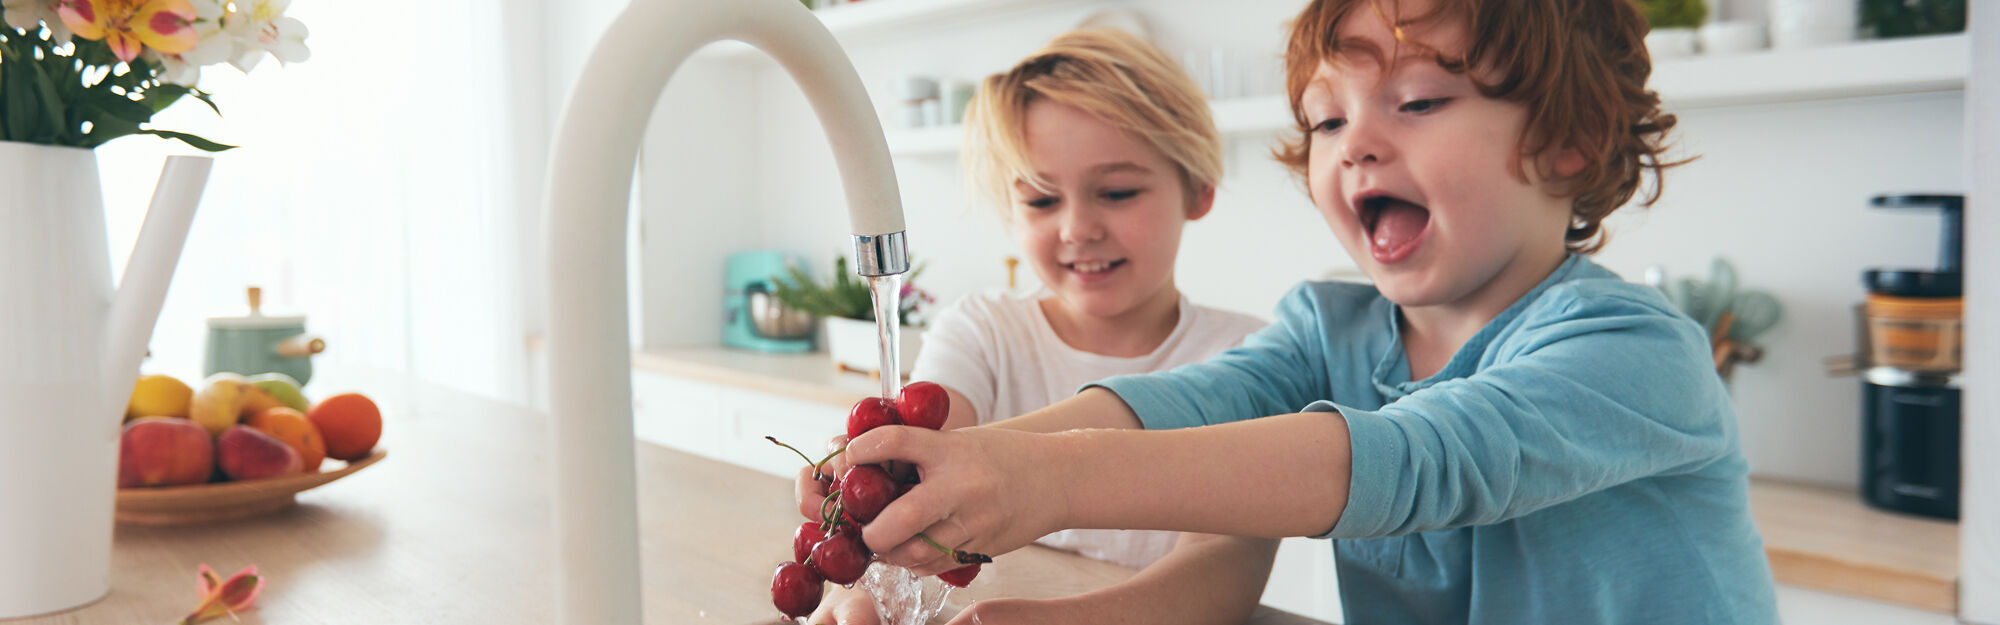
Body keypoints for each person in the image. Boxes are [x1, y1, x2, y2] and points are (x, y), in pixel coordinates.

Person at [813, 0, 1784, 622]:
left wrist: (1045, 478)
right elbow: (1194, 400)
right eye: (1327, 119)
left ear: (1565, 142)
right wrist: (953, 469)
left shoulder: (1631, 346)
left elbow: (1424, 458)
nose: (1353, 145)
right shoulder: (1329, 328)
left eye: (1415, 102)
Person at [797, 27, 1279, 625]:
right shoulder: (984, 332)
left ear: (1198, 187)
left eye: (1118, 192)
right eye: (1042, 200)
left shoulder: (1251, 358)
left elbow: (1223, 569)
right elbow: (914, 468)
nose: (1078, 228)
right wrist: (852, 589)